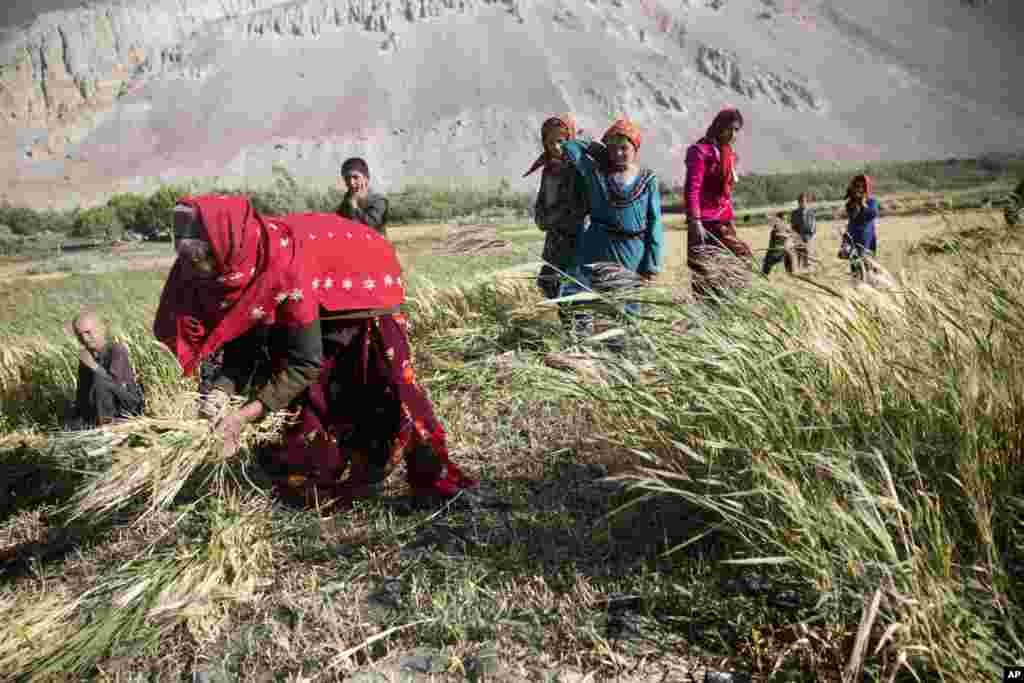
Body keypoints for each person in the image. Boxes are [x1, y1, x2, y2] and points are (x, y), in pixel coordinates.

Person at [154, 196, 475, 511]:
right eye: (193, 263)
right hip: (311, 296)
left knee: (394, 392)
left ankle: (433, 480)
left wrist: (241, 417)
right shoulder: (235, 265)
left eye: (202, 261)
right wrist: (221, 392)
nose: (199, 272)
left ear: (223, 246)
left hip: (362, 285)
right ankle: (326, 476)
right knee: (308, 403)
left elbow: (305, 363)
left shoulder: (283, 266)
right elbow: (243, 339)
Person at [556, 118, 664, 341]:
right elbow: (571, 146)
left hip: (631, 252)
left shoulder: (648, 178)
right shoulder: (596, 173)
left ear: (635, 149)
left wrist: (651, 262)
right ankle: (581, 350)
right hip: (596, 246)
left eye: (624, 148)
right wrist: (598, 149)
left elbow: (655, 221)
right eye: (613, 148)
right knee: (578, 298)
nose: (618, 154)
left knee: (625, 309)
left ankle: (623, 357)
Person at [685, 108, 753, 304]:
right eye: (729, 128)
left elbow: (726, 196)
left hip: (723, 220)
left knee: (741, 261)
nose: (732, 134)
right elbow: (692, 189)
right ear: (718, 126)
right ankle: (707, 321)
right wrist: (695, 221)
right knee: (704, 276)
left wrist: (731, 221)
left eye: (737, 130)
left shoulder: (728, 155)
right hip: (704, 223)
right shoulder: (700, 152)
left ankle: (728, 306)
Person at [524, 114, 590, 303]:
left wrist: (558, 217)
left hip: (578, 240)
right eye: (550, 142)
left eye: (561, 141)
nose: (555, 147)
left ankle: (579, 330)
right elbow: (541, 203)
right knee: (549, 286)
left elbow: (584, 206)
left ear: (570, 140)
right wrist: (542, 218)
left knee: (575, 293)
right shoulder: (549, 170)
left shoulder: (581, 169)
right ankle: (566, 329)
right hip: (554, 242)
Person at [66, 311, 144, 430]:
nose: (85, 339)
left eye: (88, 332)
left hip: (126, 405)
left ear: (102, 329)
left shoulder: (117, 350)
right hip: (101, 408)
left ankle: (107, 426)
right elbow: (82, 394)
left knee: (100, 381)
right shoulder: (86, 358)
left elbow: (114, 383)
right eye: (79, 335)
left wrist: (93, 366)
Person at [840, 174, 881, 282]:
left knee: (868, 264)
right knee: (855, 264)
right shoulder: (850, 203)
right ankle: (857, 286)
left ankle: (871, 284)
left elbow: (873, 214)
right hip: (853, 236)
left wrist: (863, 204)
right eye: (857, 186)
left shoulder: (872, 201)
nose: (860, 189)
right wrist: (857, 204)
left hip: (867, 237)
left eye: (862, 186)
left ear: (866, 188)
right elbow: (853, 217)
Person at [336, 157, 389, 236]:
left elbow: (370, 226)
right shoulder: (348, 199)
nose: (351, 182)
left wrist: (354, 207)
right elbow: (338, 221)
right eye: (347, 178)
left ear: (366, 178)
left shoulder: (378, 200)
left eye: (355, 177)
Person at [761, 212, 795, 277]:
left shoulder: (786, 228)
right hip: (774, 252)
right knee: (768, 264)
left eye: (786, 219)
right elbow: (777, 236)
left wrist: (790, 239)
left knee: (791, 255)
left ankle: (791, 272)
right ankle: (764, 274)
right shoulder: (775, 229)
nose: (785, 221)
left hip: (782, 252)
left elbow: (792, 235)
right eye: (783, 219)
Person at [790, 192, 816, 270]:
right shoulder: (794, 213)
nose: (802, 203)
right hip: (798, 237)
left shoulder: (811, 213)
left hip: (808, 237)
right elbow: (793, 226)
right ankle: (798, 269)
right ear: (799, 202)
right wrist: (796, 236)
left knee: (808, 254)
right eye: (801, 201)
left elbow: (812, 227)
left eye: (804, 201)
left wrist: (809, 236)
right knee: (798, 254)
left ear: (807, 202)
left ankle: (808, 267)